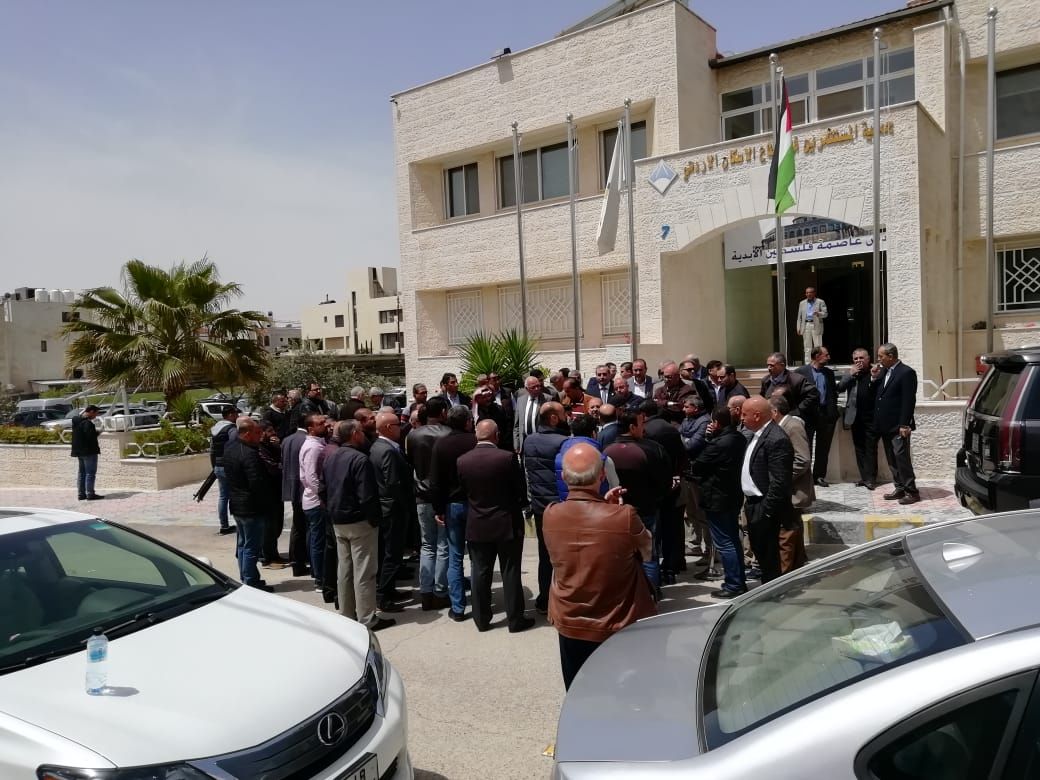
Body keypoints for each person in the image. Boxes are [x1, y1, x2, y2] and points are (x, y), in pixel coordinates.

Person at [543, 444, 656, 689]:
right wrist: (613, 510)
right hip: (618, 619)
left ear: (564, 477)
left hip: (570, 618)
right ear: (602, 476)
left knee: (577, 689)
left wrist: (606, 509)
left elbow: (581, 528)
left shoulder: (550, 514)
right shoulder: (624, 516)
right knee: (622, 692)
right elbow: (647, 551)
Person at [456, 420, 534, 633]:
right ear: (496, 435)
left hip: (477, 523)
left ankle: (481, 620)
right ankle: (515, 620)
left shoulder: (462, 461)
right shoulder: (507, 458)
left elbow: (463, 491)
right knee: (511, 571)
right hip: (507, 523)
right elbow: (520, 490)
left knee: (480, 572)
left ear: (476, 435)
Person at [323, 419, 395, 631]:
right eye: (361, 432)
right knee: (364, 571)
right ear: (354, 433)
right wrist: (374, 519)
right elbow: (367, 496)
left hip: (338, 519)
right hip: (358, 521)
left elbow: (322, 488)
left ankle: (346, 614)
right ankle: (367, 618)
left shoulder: (332, 456)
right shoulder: (360, 459)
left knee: (345, 570)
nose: (364, 435)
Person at [603, 409, 672, 588]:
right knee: (648, 554)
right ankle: (650, 593)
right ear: (632, 427)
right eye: (642, 424)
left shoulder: (606, 450)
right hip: (645, 509)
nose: (645, 428)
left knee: (623, 555)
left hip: (617, 512)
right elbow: (665, 480)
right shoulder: (651, 449)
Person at [688, 407, 749, 598]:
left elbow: (698, 465)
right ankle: (738, 581)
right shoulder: (739, 438)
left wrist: (709, 441)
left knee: (725, 543)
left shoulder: (719, 444)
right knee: (733, 540)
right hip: (732, 495)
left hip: (717, 498)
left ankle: (733, 584)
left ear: (716, 423)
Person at [739, 397, 795, 583]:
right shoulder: (755, 435)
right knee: (761, 553)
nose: (741, 418)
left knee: (769, 558)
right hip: (753, 503)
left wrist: (766, 511)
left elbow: (779, 482)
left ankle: (774, 591)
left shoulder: (776, 438)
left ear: (757, 416)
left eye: (744, 414)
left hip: (764, 507)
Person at [430, 406, 478, 621]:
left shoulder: (441, 444)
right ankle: (480, 602)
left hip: (452, 505)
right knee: (477, 556)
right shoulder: (475, 441)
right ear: (467, 421)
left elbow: (435, 481)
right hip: (475, 504)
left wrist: (438, 508)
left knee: (455, 556)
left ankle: (458, 607)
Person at [521, 402, 569, 614]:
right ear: (554, 418)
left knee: (545, 554)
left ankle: (544, 599)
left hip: (540, 506)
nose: (567, 417)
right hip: (560, 506)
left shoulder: (529, 441)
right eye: (563, 414)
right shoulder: (563, 442)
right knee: (564, 555)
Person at [405, 396, 451, 611]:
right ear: (442, 412)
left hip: (422, 496)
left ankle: (426, 591)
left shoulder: (413, 435)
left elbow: (411, 463)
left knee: (427, 545)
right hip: (442, 496)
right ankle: (440, 591)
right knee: (442, 545)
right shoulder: (448, 433)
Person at [369, 411, 417, 612]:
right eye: (398, 424)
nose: (401, 428)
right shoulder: (387, 450)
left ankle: (389, 590)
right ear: (388, 428)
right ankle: (383, 596)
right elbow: (392, 483)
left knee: (390, 552)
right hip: (393, 509)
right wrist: (406, 505)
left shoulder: (377, 446)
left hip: (387, 507)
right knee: (392, 553)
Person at [222, 417, 273, 591]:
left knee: (243, 544)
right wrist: (267, 503)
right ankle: (250, 582)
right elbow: (256, 483)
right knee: (251, 546)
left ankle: (247, 578)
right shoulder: (250, 454)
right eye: (258, 433)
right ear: (248, 434)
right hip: (251, 507)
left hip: (237, 504)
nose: (261, 436)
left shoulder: (230, 448)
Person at [769, 394, 811, 574]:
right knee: (794, 528)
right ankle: (798, 565)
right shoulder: (782, 426)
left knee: (788, 529)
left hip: (793, 489)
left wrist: (781, 478)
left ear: (774, 412)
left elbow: (802, 459)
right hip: (788, 489)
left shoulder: (792, 426)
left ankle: (788, 572)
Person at [875, 343, 920, 505]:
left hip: (898, 426)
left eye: (881, 356)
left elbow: (908, 400)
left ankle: (912, 491)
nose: (878, 359)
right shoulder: (884, 372)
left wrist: (904, 424)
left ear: (891, 356)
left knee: (901, 458)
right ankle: (899, 487)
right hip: (885, 425)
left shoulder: (906, 372)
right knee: (892, 459)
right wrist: (874, 377)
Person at [795, 346, 839, 486]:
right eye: (826, 355)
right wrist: (799, 410)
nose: (829, 357)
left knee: (823, 447)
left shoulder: (829, 373)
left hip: (826, 414)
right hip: (807, 415)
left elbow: (833, 393)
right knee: (805, 446)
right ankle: (805, 476)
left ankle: (819, 476)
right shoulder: (800, 372)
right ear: (817, 356)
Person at [838, 348, 881, 489]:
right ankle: (864, 477)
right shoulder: (852, 373)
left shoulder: (875, 371)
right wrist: (850, 375)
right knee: (859, 448)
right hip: (855, 417)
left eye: (861, 358)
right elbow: (840, 388)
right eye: (856, 358)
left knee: (871, 448)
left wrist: (874, 377)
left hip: (872, 417)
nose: (858, 361)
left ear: (868, 359)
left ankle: (871, 478)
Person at [299, 413, 328, 589]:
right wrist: (323, 496)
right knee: (319, 542)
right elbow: (311, 477)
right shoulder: (313, 447)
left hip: (314, 500)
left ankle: (318, 574)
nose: (325, 425)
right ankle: (320, 578)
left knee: (316, 540)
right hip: (316, 502)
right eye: (321, 423)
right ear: (311, 428)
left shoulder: (317, 444)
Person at [256, 420, 287, 569]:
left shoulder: (271, 446)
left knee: (276, 525)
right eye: (269, 431)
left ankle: (273, 554)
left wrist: (278, 447)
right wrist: (284, 467)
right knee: (268, 527)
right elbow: (273, 468)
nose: (273, 433)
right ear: (262, 433)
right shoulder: (259, 449)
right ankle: (266, 557)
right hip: (267, 494)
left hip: (276, 492)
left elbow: (280, 459)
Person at [280, 419, 309, 576]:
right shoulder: (306, 440)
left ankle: (296, 561)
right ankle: (301, 561)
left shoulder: (287, 440)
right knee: (304, 527)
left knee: (297, 527)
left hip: (292, 488)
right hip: (304, 489)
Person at [759, 352, 819, 423]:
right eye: (768, 365)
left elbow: (813, 394)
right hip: (772, 420)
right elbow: (762, 397)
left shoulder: (797, 380)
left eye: (772, 365)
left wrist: (798, 410)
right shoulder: (766, 381)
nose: (769, 368)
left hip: (790, 420)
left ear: (782, 365)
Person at [210, 405, 239, 536]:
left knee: (223, 497)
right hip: (229, 466)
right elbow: (235, 446)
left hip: (218, 466)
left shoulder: (215, 429)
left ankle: (224, 526)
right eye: (236, 414)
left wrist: (214, 467)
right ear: (230, 415)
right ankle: (241, 522)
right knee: (236, 495)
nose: (237, 416)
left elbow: (212, 450)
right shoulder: (231, 429)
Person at [513, 374, 550, 453]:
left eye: (538, 386)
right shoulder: (521, 400)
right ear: (526, 388)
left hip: (542, 442)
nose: (537, 389)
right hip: (525, 441)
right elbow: (517, 425)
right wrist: (517, 444)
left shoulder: (547, 399)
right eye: (533, 387)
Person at [796, 287, 828, 365]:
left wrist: (819, 313)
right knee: (807, 346)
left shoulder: (820, 302)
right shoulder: (802, 303)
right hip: (806, 325)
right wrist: (798, 327)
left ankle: (819, 362)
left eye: (810, 292)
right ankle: (808, 364)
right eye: (807, 293)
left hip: (816, 324)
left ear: (814, 293)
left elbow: (825, 314)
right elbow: (799, 316)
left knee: (818, 346)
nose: (808, 294)